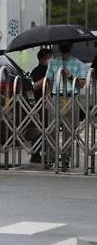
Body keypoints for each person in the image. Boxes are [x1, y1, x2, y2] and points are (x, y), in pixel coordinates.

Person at [45, 41, 87, 171]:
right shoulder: (52, 62)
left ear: (71, 46)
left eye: (66, 43)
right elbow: (48, 80)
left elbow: (81, 84)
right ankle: (50, 158)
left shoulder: (79, 63)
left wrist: (69, 76)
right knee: (52, 129)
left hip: (71, 97)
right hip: (56, 97)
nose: (64, 45)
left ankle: (65, 160)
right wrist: (47, 97)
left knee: (69, 131)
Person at [29, 48, 53, 163]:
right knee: (40, 128)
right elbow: (34, 86)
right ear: (42, 59)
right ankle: (35, 154)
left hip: (50, 103)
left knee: (48, 128)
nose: (51, 59)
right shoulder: (37, 71)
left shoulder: (51, 69)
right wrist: (45, 79)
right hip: (39, 103)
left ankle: (47, 153)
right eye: (49, 57)